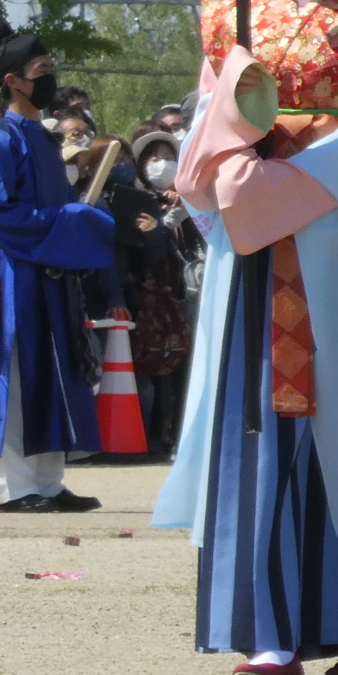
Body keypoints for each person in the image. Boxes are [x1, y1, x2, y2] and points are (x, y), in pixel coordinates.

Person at [157, 0, 338, 675]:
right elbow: (207, 119)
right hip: (256, 240)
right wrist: (229, 171)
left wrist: (312, 176)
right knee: (261, 427)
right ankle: (268, 622)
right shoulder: (232, 6)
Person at [0, 21, 110, 515]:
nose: (50, 76)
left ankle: (47, 480)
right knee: (17, 376)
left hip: (51, 272)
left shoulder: (42, 136)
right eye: (41, 70)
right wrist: (67, 221)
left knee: (58, 372)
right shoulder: (2, 140)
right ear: (13, 80)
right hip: (20, 274)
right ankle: (14, 487)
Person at [124, 128, 199, 453]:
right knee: (149, 370)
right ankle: (150, 436)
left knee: (181, 371)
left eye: (170, 158)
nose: (163, 164)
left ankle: (174, 434)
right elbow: (145, 250)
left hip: (184, 298)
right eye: (155, 158)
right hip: (145, 299)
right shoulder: (134, 201)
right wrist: (160, 224)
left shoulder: (194, 201)